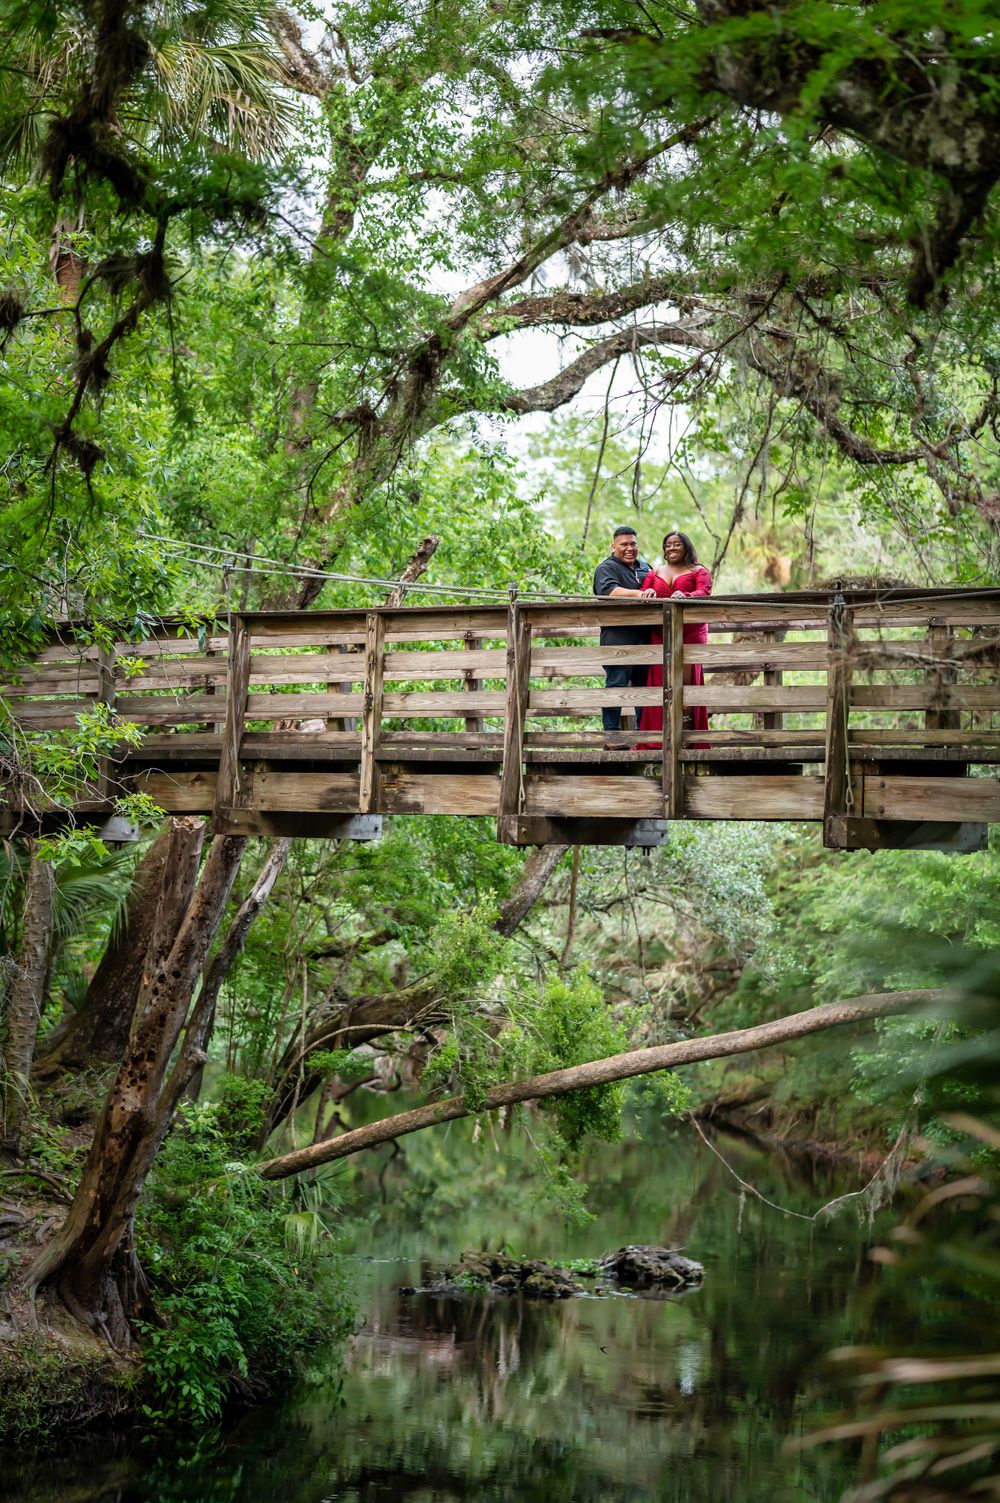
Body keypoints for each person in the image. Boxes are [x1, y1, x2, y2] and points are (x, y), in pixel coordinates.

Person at [637, 531, 712, 744]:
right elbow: (644, 590)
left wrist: (686, 596)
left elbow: (704, 592)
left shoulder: (699, 571)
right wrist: (648, 593)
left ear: (686, 547)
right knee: (660, 680)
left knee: (685, 681)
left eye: (676, 545)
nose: (671, 548)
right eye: (668, 545)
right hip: (660, 631)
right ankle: (657, 738)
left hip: (690, 631)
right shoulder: (655, 571)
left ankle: (686, 736)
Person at [593, 525, 656, 736]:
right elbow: (609, 591)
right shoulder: (606, 568)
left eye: (633, 544)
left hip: (646, 639)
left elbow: (659, 587)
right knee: (616, 685)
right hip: (618, 639)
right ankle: (611, 736)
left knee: (644, 688)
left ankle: (643, 737)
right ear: (613, 547)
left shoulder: (646, 568)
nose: (629, 548)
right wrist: (640, 594)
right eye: (624, 544)